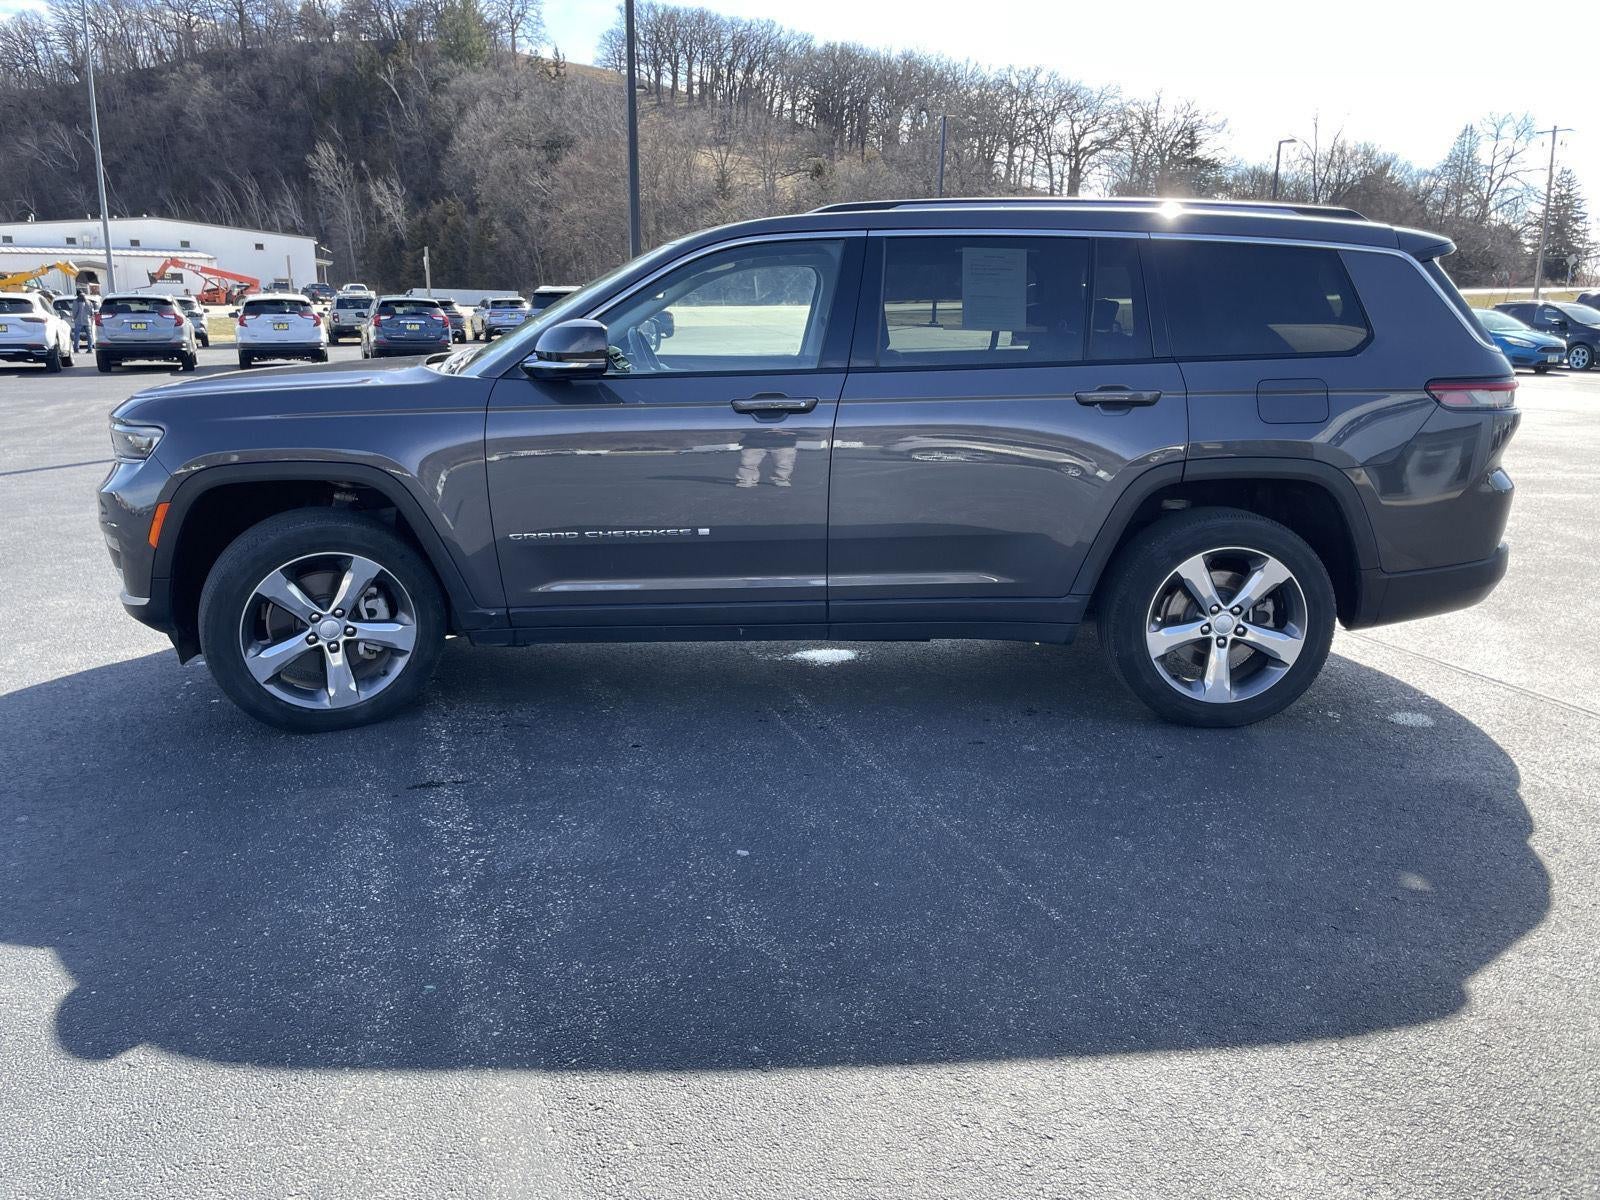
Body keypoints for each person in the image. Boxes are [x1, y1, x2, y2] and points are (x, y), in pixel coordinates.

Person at [71, 287, 94, 353]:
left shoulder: (76, 301)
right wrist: (90, 317)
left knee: (77, 335)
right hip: (87, 320)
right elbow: (91, 311)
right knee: (89, 335)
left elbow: (75, 311)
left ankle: (76, 348)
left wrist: (74, 317)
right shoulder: (88, 302)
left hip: (78, 320)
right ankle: (90, 349)